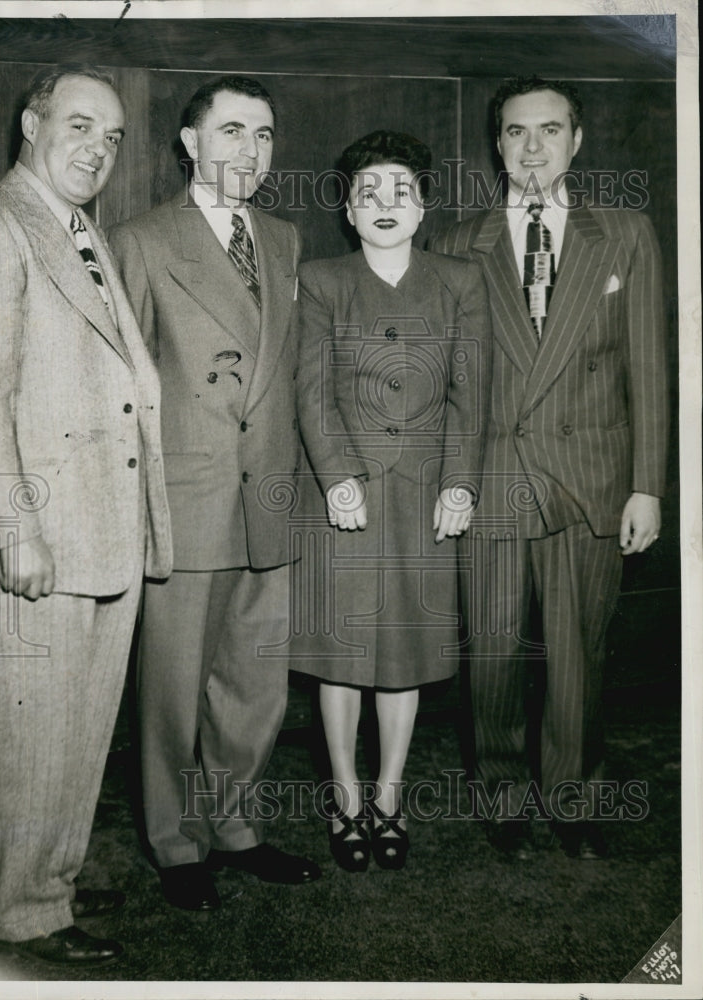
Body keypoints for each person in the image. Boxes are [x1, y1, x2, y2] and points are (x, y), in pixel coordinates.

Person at [0, 65, 172, 966]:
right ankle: (21, 909)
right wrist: (12, 528)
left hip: (102, 527)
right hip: (36, 537)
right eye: (78, 126)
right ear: (31, 124)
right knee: (27, 734)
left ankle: (46, 878)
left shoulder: (77, 230)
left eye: (111, 137)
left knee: (74, 732)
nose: (97, 149)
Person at [433, 76, 667, 860]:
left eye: (547, 130)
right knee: (491, 649)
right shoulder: (455, 242)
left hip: (590, 472)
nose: (530, 147)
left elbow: (647, 365)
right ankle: (499, 792)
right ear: (494, 144)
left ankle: (574, 795)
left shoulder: (624, 232)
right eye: (513, 132)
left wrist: (646, 485)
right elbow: (447, 381)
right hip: (494, 468)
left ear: (576, 141)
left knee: (577, 648)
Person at [108, 76, 320, 911]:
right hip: (186, 498)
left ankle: (235, 827)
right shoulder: (140, 238)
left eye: (264, 135)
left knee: (254, 683)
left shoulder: (283, 236)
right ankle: (173, 841)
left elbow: (291, 371)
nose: (249, 151)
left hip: (267, 494)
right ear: (190, 144)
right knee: (171, 686)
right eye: (231, 132)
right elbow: (120, 387)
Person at [294, 130, 490, 871]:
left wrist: (460, 481)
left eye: (400, 192)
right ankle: (344, 802)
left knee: (404, 652)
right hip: (344, 500)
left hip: (422, 498)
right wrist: (337, 474)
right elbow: (309, 393)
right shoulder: (321, 280)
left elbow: (473, 393)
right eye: (367, 193)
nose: (384, 206)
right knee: (341, 654)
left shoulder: (459, 281)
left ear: (423, 205)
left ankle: (388, 797)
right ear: (347, 209)